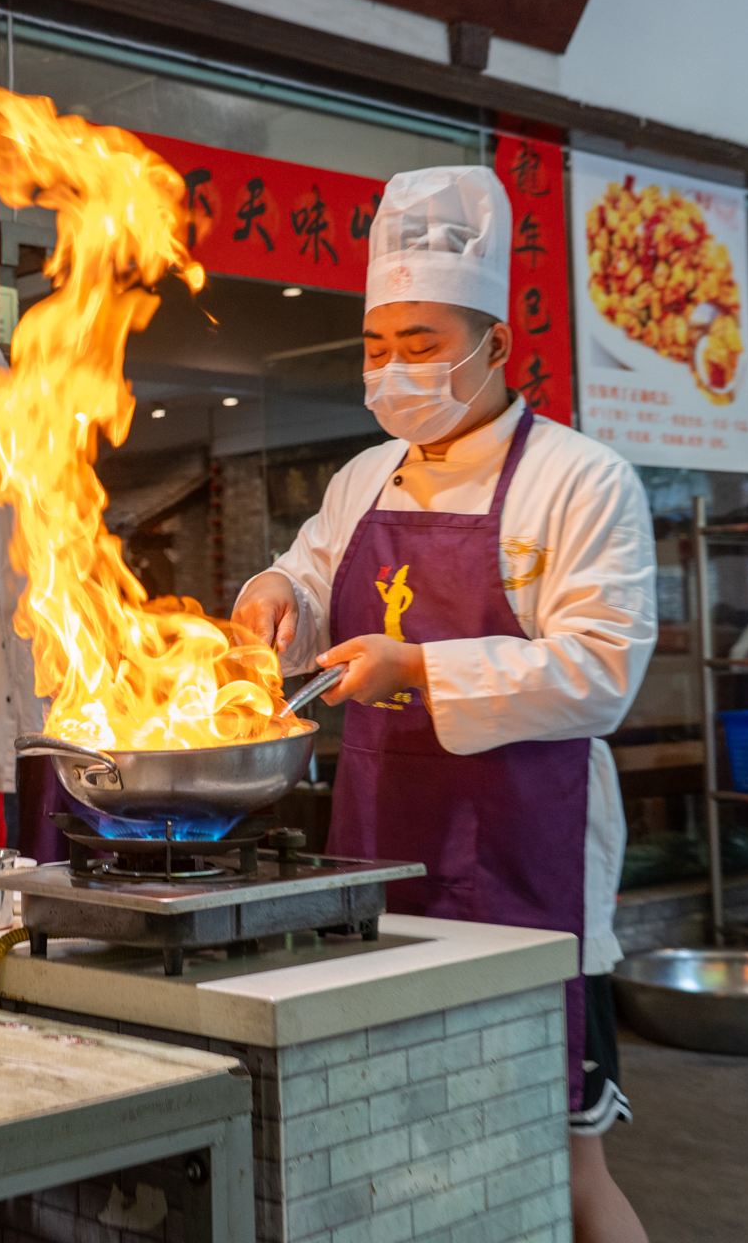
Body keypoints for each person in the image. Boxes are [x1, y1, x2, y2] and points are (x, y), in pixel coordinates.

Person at [232, 166, 655, 1243]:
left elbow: (602, 669)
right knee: (402, 1138)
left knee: (565, 1165)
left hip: (529, 854)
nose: (392, 369)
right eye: (376, 346)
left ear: (496, 345)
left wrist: (418, 668)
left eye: (421, 343)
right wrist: (279, 589)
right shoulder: (362, 477)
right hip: (381, 841)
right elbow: (311, 575)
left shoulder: (581, 478)